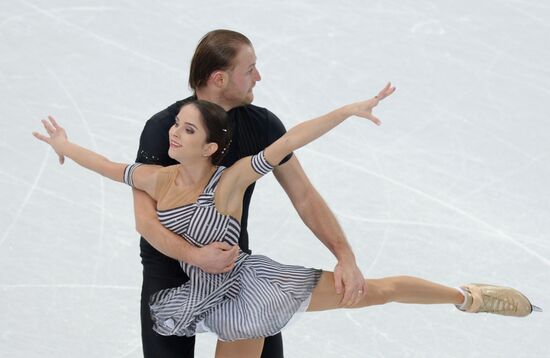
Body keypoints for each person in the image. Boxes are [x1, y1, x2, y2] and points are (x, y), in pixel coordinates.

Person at [33, 86, 540, 358]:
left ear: (209, 146)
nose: (173, 132)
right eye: (176, 124)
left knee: (375, 291)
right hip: (195, 292)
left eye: (187, 129)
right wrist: (61, 145)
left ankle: (469, 297)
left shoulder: (229, 181)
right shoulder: (154, 179)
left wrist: (345, 111)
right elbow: (99, 163)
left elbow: (287, 142)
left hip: (252, 291)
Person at [131, 29, 367, 358]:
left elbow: (304, 195)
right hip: (170, 279)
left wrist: (345, 256)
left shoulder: (261, 125)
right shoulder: (166, 130)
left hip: (236, 274)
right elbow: (146, 222)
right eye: (249, 69)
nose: (258, 76)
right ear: (219, 79)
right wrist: (196, 257)